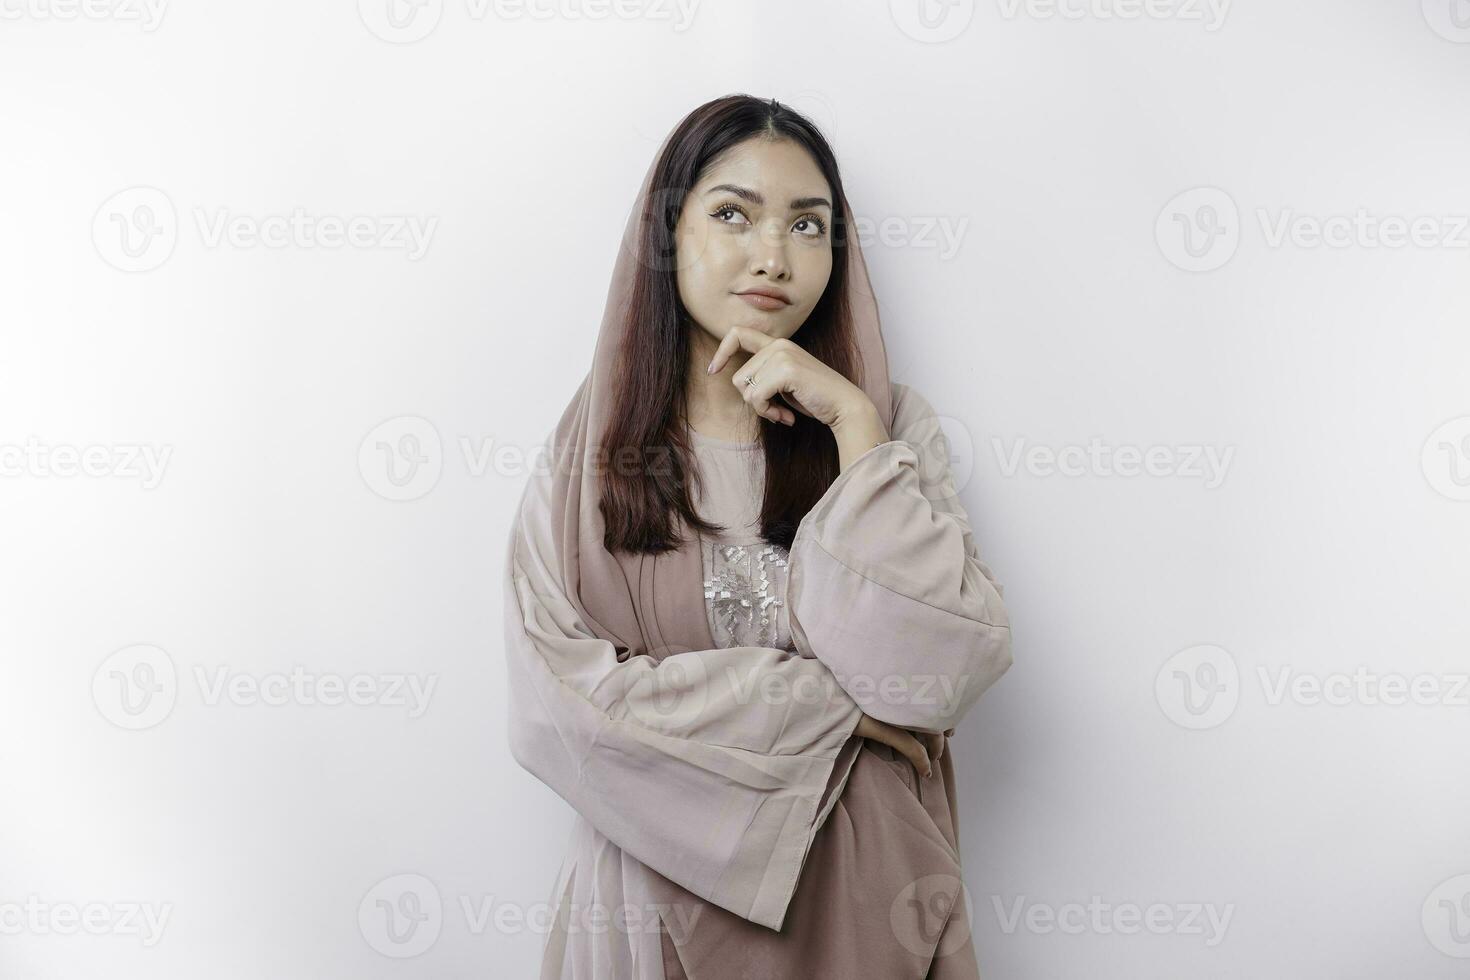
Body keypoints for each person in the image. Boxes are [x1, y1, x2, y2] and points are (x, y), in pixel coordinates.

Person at [503, 93, 1013, 979]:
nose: (773, 255)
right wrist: (841, 710)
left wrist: (853, 426)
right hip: (650, 903)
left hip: (865, 902)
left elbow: (941, 673)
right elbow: (557, 710)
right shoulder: (589, 453)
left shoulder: (890, 431)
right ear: (668, 233)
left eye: (807, 225)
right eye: (732, 213)